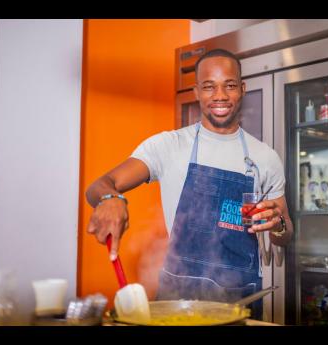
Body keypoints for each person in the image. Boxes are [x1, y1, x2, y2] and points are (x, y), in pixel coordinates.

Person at [85, 48, 293, 320]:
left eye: (229, 85)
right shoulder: (168, 146)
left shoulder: (265, 158)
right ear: (196, 92)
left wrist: (278, 224)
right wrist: (109, 199)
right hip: (177, 300)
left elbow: (285, 235)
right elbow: (101, 184)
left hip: (240, 301)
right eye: (209, 87)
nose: (220, 96)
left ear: (242, 89)